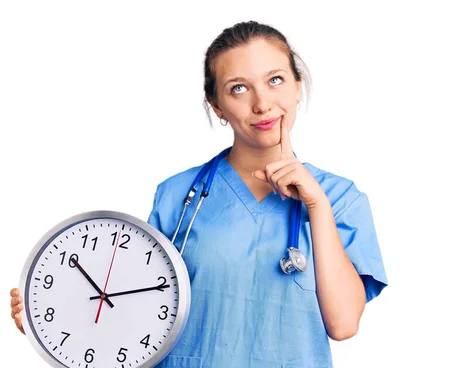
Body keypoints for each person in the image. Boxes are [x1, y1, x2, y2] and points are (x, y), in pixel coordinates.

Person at [10, 20, 388, 367]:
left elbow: (342, 325)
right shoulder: (177, 196)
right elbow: (134, 311)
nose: (262, 104)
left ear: (297, 86)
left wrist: (316, 204)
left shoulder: (339, 199)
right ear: (217, 105)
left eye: (275, 80)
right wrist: (52, 323)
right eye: (238, 88)